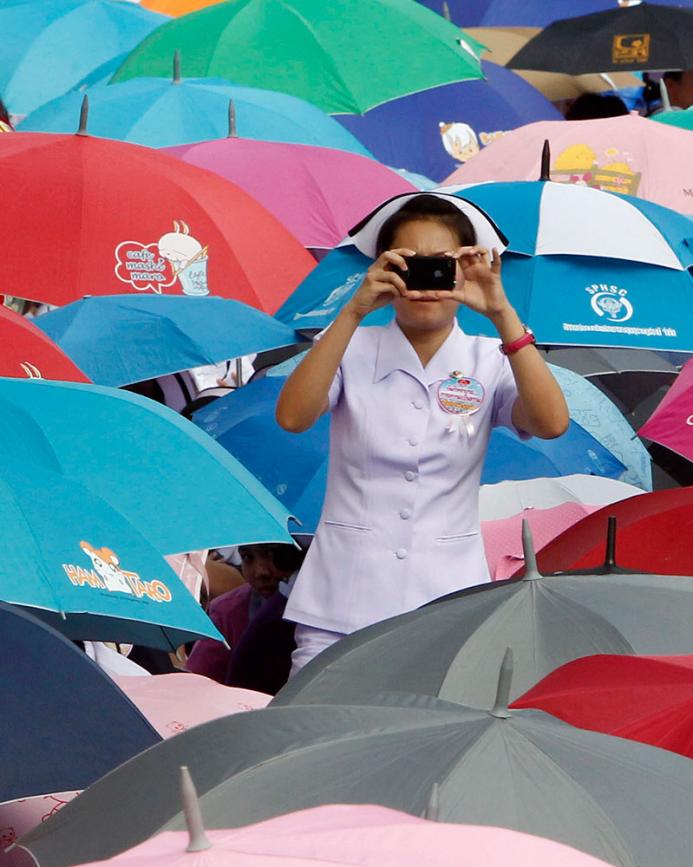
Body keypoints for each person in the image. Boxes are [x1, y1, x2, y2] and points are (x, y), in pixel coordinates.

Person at [275, 193, 569, 674]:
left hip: (447, 601)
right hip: (341, 597)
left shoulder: (489, 356)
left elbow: (552, 423)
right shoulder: (350, 345)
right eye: (411, 264)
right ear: (384, 267)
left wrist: (501, 312)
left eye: (443, 265)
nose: (426, 281)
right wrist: (352, 312)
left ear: (467, 269)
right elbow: (293, 417)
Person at [186, 543, 305, 683]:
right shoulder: (227, 610)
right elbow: (198, 679)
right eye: (248, 558)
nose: (261, 572)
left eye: (274, 556)